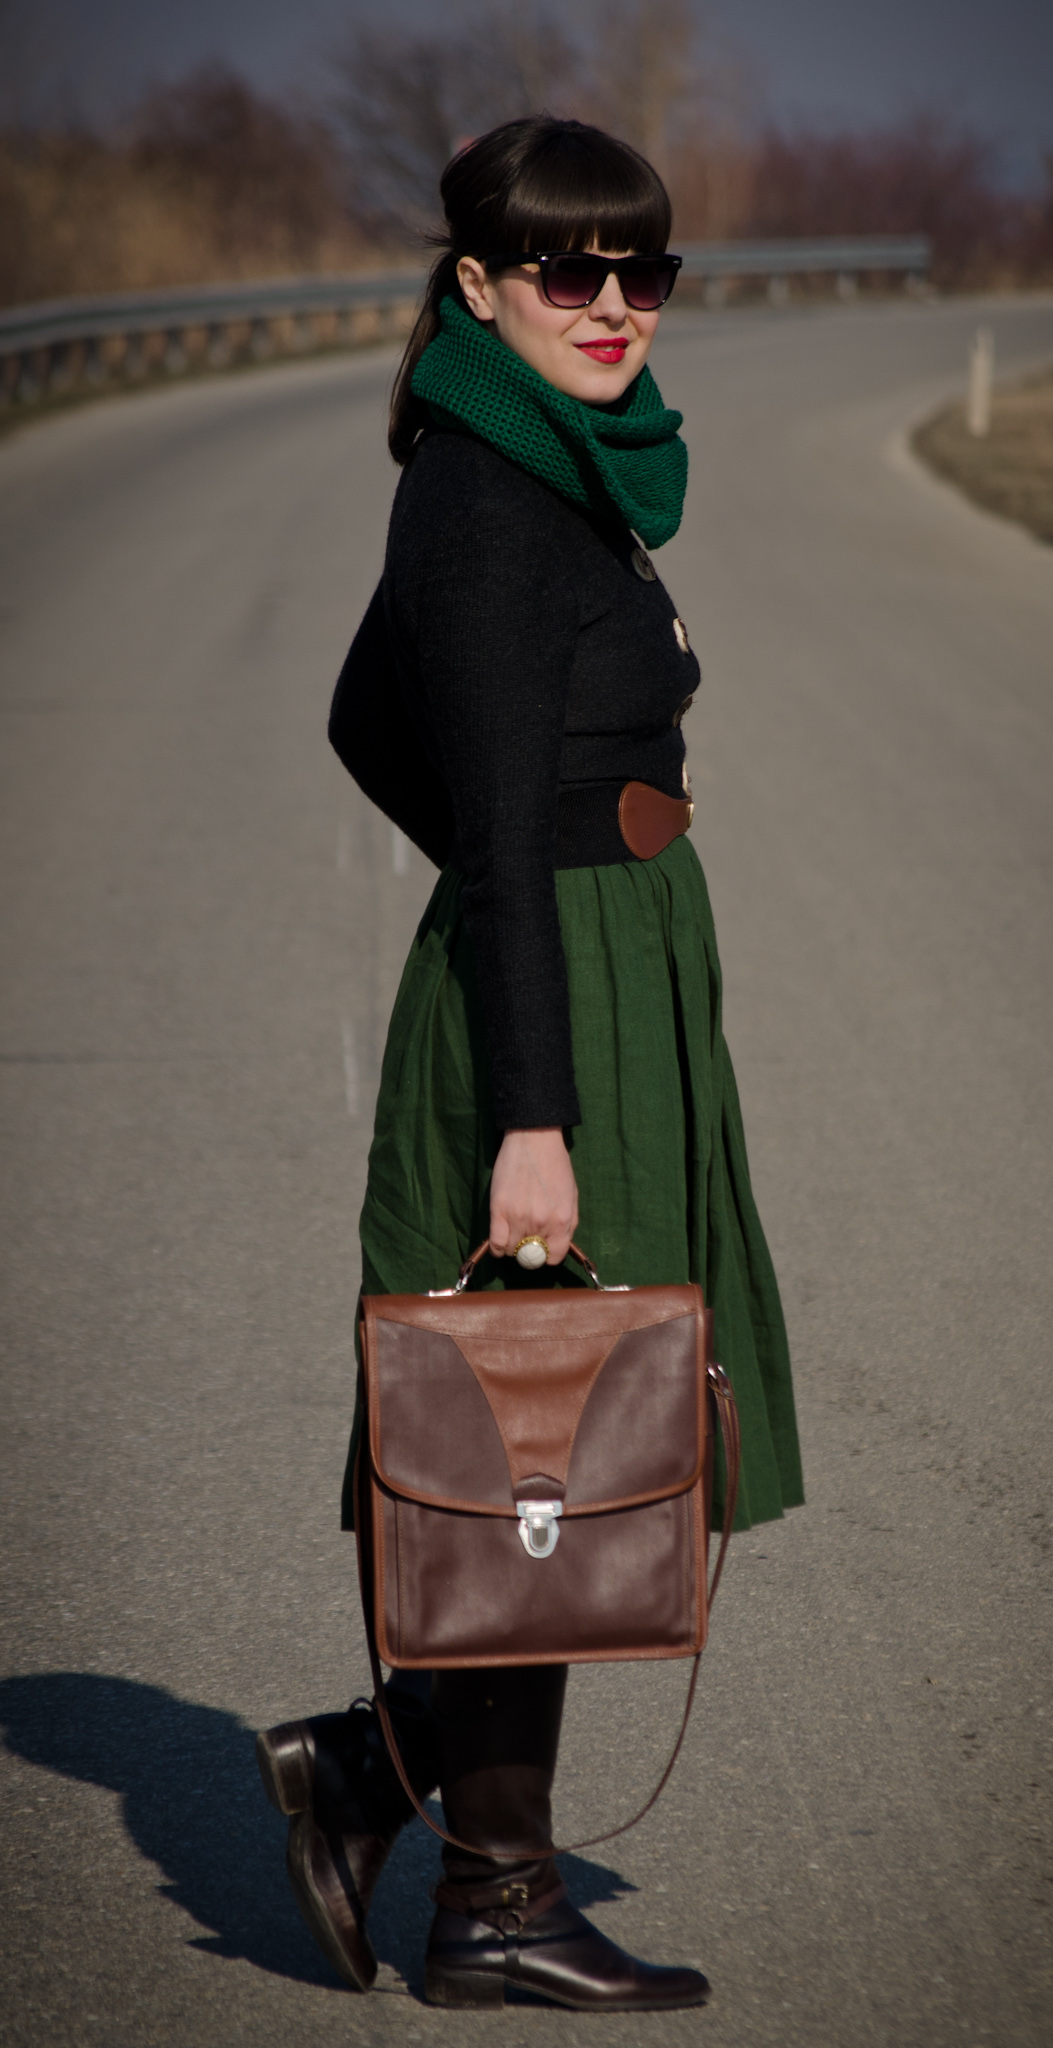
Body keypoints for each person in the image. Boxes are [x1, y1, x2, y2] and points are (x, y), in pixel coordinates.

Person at [256, 114, 803, 2014]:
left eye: (641, 270)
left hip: (604, 959)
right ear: (480, 285)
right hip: (549, 1001)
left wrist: (582, 812)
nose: (610, 306)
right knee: (544, 1453)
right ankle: (488, 1894)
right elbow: (480, 824)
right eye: (566, 272)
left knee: (567, 1449)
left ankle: (363, 1774)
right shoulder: (490, 498)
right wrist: (533, 1112)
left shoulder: (551, 467)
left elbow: (358, 707)